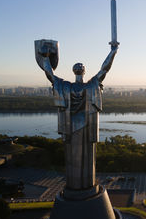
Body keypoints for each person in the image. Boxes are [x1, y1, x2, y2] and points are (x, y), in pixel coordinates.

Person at [37, 41, 118, 190]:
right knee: (87, 156)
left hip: (71, 125)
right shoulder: (90, 85)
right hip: (86, 125)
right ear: (84, 72)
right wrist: (113, 51)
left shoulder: (66, 86)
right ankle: (86, 186)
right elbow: (104, 69)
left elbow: (50, 75)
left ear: (74, 72)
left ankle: (75, 186)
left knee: (73, 155)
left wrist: (45, 58)